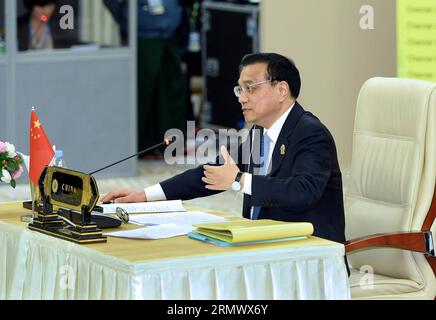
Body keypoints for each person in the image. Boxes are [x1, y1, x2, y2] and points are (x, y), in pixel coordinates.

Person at [101, 53, 347, 247]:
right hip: (263, 246)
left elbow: (303, 191)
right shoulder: (260, 132)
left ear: (281, 90)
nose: (242, 98)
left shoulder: (311, 133)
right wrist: (144, 196)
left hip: (309, 254)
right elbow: (210, 174)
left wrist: (239, 180)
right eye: (240, 89)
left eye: (251, 88)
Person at [104, 0, 189, 155]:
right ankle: (142, 148)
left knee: (172, 93)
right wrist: (125, 20)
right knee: (142, 95)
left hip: (170, 36)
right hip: (142, 37)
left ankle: (170, 145)